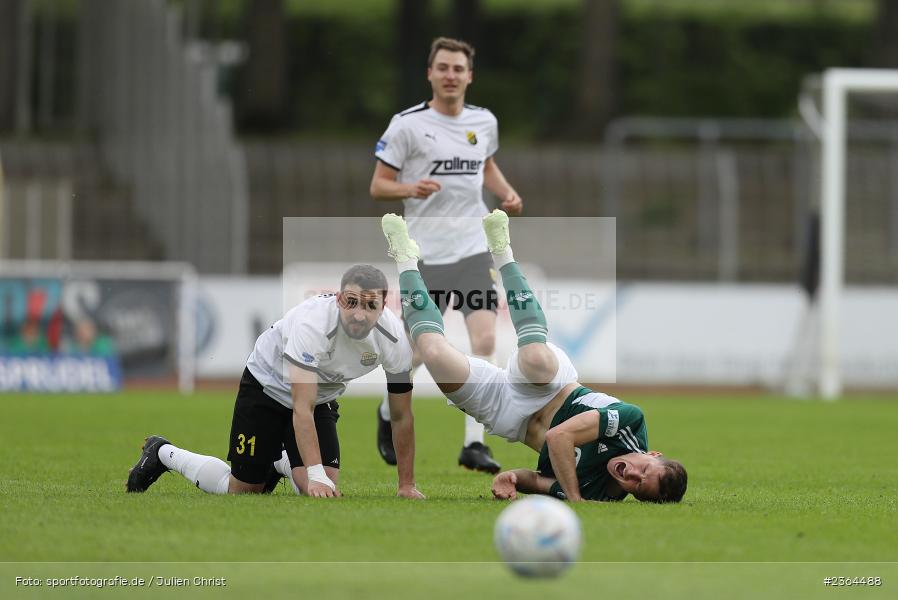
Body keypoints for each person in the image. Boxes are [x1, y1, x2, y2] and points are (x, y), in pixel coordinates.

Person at [381, 211, 688, 502]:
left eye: (637, 488)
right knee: (535, 359)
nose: (631, 476)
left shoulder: (603, 493)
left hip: (505, 413)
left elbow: (538, 481)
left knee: (432, 353)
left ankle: (405, 259)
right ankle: (502, 251)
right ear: (653, 454)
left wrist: (512, 477)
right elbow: (558, 437)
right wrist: (575, 499)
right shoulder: (630, 423)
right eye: (643, 469)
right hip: (549, 385)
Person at [126, 265, 425, 500]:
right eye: (352, 302)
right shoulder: (314, 325)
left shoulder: (394, 340)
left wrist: (407, 484)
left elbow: (400, 416)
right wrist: (314, 472)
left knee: (323, 489)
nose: (359, 314)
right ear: (338, 299)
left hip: (319, 397)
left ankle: (280, 462)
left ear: (385, 306)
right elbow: (301, 408)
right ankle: (162, 452)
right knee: (243, 490)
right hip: (267, 385)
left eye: (370, 305)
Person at [370, 36, 523, 474]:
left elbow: (485, 164)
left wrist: (505, 190)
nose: (451, 75)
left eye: (459, 68)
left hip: (473, 251)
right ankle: (386, 410)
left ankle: (474, 444)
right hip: (425, 257)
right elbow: (378, 185)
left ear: (470, 75)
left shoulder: (484, 121)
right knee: (418, 353)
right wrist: (409, 189)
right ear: (430, 74)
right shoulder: (407, 125)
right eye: (443, 68)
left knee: (487, 340)